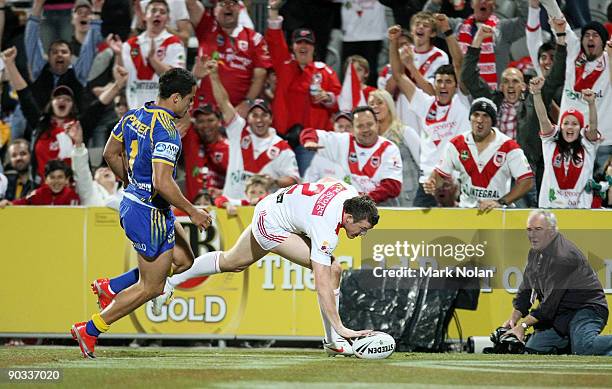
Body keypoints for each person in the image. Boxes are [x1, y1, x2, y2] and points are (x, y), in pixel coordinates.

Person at [70, 67, 212, 359]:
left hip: (139, 204)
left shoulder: (134, 115)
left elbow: (110, 153)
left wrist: (130, 182)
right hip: (149, 212)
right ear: (175, 98)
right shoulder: (168, 132)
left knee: (184, 261)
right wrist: (193, 211)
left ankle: (110, 286)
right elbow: (162, 182)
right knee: (151, 287)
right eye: (189, 99)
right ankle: (90, 329)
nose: (190, 105)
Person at [155, 179, 377, 356]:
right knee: (332, 269)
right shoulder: (325, 226)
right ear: (348, 217)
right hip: (271, 221)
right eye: (362, 228)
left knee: (232, 262)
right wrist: (341, 327)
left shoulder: (348, 192)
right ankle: (333, 339)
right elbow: (321, 282)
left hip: (273, 204)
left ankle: (171, 281)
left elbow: (327, 180)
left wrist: (303, 209)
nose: (362, 234)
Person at [503, 210, 611, 355]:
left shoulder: (563, 257)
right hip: (561, 314)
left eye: (538, 229)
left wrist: (522, 326)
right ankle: (573, 342)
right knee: (533, 348)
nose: (532, 235)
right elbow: (526, 291)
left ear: (552, 231)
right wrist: (513, 320)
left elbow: (548, 306)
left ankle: (580, 342)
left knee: (585, 347)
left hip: (586, 308)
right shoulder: (535, 252)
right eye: (529, 230)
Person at [388, 22, 469, 207]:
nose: (442, 85)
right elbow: (399, 76)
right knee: (417, 232)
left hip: (455, 180)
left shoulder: (462, 102)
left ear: (456, 85)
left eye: (448, 81)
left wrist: (448, 31)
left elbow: (458, 63)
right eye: (439, 81)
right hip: (427, 182)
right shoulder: (426, 104)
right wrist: (393, 42)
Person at [265, 0, 342, 175]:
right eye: (299, 42)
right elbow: (274, 39)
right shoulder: (284, 65)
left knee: (307, 188)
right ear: (292, 46)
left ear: (314, 48)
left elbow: (339, 102)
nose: (303, 46)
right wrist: (273, 10)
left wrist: (327, 97)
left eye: (307, 43)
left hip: (311, 144)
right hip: (282, 140)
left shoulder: (326, 72)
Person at [206, 59, 299, 200]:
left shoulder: (281, 147)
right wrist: (214, 77)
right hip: (231, 207)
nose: (259, 120)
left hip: (262, 212)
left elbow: (294, 180)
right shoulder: (238, 130)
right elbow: (223, 103)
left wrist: (274, 181)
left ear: (271, 119)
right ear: (248, 119)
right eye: (254, 115)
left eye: (264, 115)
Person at [539, 0, 612, 173]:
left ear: (603, 42)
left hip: (603, 142)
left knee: (599, 196)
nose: (591, 38)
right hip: (570, 139)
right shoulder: (573, 51)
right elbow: (556, 16)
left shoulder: (609, 61)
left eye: (596, 35)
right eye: (587, 35)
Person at [424, 97, 534, 210]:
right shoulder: (457, 144)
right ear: (470, 118)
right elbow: (440, 175)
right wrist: (432, 183)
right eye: (476, 115)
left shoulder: (509, 147)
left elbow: (527, 181)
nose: (479, 120)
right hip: (467, 213)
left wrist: (501, 202)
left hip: (497, 213)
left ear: (493, 122)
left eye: (485, 116)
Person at [300, 106, 403, 205]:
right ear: (353, 129)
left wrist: (362, 200)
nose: (366, 129)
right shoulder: (342, 141)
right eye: (360, 126)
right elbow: (310, 132)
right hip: (351, 207)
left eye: (369, 124)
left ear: (377, 124)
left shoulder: (389, 148)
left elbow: (392, 186)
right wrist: (309, 141)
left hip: (381, 206)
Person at [185, 0, 271, 116]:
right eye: (223, 4)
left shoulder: (254, 38)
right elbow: (191, 3)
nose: (228, 7)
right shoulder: (206, 27)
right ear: (215, 10)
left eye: (232, 4)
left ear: (239, 9)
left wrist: (248, 102)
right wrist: (194, 75)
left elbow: (260, 75)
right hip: (203, 112)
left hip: (236, 112)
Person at [424, 0, 530, 90]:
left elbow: (528, 20)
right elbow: (425, 23)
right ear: (471, 4)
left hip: (493, 95)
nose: (483, 1)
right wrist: (435, 2)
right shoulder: (457, 27)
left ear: (494, 5)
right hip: (462, 95)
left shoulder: (504, 29)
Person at [531, 77, 600, 208]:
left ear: (580, 128)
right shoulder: (550, 143)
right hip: (550, 211)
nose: (569, 127)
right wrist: (536, 94)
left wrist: (591, 103)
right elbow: (543, 119)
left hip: (581, 213)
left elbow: (593, 125)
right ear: (560, 126)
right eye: (566, 123)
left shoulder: (587, 146)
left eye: (574, 124)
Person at [116, 0, 186, 109]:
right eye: (153, 11)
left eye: (162, 12)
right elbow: (119, 79)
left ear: (168, 19)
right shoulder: (129, 45)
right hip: (136, 115)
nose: (157, 14)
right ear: (144, 16)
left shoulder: (174, 43)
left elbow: (177, 80)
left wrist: (153, 60)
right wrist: (118, 55)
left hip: (163, 116)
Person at [367, 89, 419, 207]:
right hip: (383, 202)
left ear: (389, 105)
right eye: (371, 103)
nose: (375, 106)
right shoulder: (370, 140)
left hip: (409, 198)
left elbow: (422, 162)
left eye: (380, 102)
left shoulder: (405, 132)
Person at [182, 104, 229, 202]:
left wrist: (223, 192)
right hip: (192, 209)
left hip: (219, 210)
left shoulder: (229, 149)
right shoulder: (191, 143)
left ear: (220, 122)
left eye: (210, 120)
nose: (206, 125)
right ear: (195, 125)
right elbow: (181, 114)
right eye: (201, 121)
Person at [0, 159, 80, 207]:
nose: (56, 181)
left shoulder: (72, 196)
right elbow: (22, 202)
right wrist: (8, 203)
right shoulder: (38, 193)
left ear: (66, 179)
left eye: (60, 177)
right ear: (46, 180)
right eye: (52, 177)